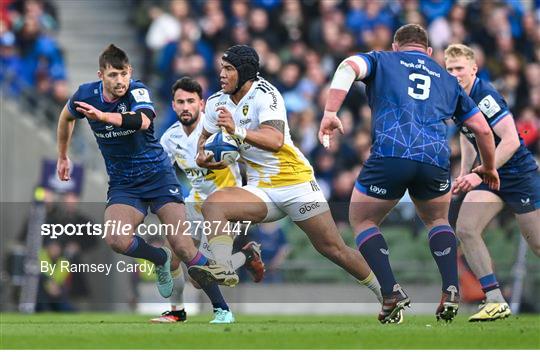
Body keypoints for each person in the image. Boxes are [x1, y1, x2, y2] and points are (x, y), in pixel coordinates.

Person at [191, 44, 389, 320]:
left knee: (332, 249)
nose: (221, 74)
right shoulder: (215, 103)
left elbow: (275, 140)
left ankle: (387, 294)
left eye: (228, 69)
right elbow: (204, 142)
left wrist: (236, 129)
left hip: (295, 183)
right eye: (221, 68)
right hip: (261, 189)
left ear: (244, 72)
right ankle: (223, 266)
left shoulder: (267, 95)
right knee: (214, 205)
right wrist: (204, 158)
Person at [319, 24, 499, 323]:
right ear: (429, 52)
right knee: (437, 220)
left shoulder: (382, 59)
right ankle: (452, 288)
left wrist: (330, 112)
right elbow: (482, 129)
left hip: (391, 154)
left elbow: (347, 66)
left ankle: (391, 292)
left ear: (395, 46)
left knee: (362, 219)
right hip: (434, 159)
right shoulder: (448, 79)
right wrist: (489, 167)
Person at [56, 44, 236, 316]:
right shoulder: (85, 94)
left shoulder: (137, 90)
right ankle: (159, 259)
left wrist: (104, 117)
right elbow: (66, 117)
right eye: (113, 75)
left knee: (184, 247)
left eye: (124, 74)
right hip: (124, 184)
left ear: (130, 72)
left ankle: (222, 309)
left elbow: (142, 121)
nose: (120, 81)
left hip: (158, 177)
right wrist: (63, 155)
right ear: (100, 75)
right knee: (116, 238)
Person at [151, 76, 265, 324]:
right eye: (180, 102)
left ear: (201, 104)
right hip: (194, 203)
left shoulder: (219, 134)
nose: (185, 107)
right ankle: (176, 311)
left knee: (198, 276)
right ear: (173, 106)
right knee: (172, 254)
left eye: (190, 101)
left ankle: (247, 255)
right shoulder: (170, 138)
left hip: (226, 207)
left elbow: (250, 156)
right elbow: (160, 173)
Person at [445, 43, 540, 322]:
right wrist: (465, 173)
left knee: (537, 245)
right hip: (490, 175)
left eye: (459, 68)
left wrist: (479, 172)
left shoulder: (485, 95)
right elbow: (467, 134)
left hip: (518, 175)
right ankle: (496, 300)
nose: (454, 74)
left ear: (474, 68)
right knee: (466, 228)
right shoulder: (455, 98)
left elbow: (511, 140)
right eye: (449, 69)